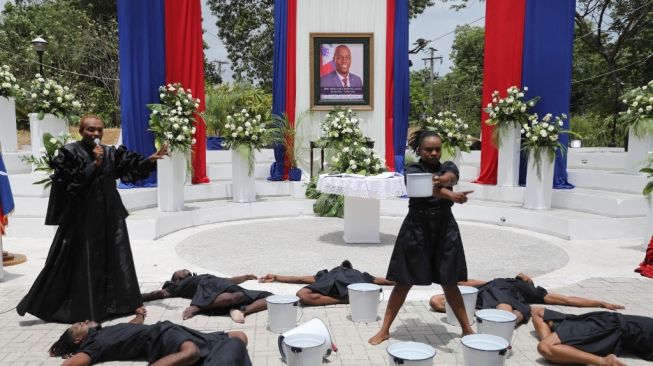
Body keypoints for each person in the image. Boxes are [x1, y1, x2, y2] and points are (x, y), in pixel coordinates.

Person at [17, 115, 168, 323]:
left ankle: (116, 304)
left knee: (115, 258)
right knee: (86, 262)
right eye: (90, 129)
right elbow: (70, 185)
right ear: (80, 131)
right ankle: (84, 307)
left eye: (99, 129)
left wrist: (150, 160)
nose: (96, 134)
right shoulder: (69, 153)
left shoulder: (109, 152)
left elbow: (128, 168)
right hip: (83, 218)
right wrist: (94, 164)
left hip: (110, 215)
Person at [369, 130, 474, 345]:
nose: (434, 153)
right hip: (416, 229)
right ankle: (385, 329)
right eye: (429, 149)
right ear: (420, 150)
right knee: (403, 282)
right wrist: (451, 194)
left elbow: (451, 177)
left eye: (437, 149)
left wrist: (442, 180)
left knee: (450, 282)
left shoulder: (448, 167)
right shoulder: (412, 169)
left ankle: (467, 329)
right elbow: (426, 189)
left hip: (445, 228)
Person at [48, 307, 252, 366]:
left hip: (170, 330)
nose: (83, 321)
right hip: (160, 336)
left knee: (239, 336)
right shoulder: (92, 346)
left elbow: (131, 327)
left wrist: (138, 315)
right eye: (79, 326)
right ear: (78, 340)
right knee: (191, 352)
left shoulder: (104, 332)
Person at [429, 273, 624, 325]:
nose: (523, 276)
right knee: (435, 301)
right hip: (482, 302)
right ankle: (495, 320)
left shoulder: (523, 288)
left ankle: (501, 325)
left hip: (509, 304)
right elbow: (462, 282)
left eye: (526, 278)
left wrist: (599, 303)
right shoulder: (493, 281)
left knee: (505, 307)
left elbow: (564, 300)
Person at [531, 307, 653, 365]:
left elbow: (545, 347)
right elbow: (538, 313)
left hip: (611, 325)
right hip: (601, 321)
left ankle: (606, 362)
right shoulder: (567, 325)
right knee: (538, 312)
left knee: (545, 348)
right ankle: (558, 352)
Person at [141, 269, 271, 323]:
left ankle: (242, 310)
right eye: (179, 271)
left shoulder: (203, 275)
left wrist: (246, 277)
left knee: (271, 298)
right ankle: (199, 307)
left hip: (224, 285)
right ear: (176, 280)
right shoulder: (178, 286)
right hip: (208, 291)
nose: (182, 269)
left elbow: (230, 280)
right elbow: (157, 294)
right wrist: (135, 297)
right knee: (235, 297)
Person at [258, 260, 396, 306]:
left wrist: (276, 277)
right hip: (340, 289)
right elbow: (382, 280)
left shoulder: (358, 274)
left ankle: (344, 300)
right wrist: (275, 277)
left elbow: (299, 279)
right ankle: (344, 300)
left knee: (302, 294)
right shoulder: (360, 274)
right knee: (302, 294)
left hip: (339, 287)